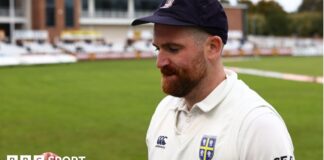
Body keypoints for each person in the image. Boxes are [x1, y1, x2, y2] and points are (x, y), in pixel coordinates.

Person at [131, 0, 295, 159]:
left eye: (173, 49)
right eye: (157, 48)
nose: (159, 62)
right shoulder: (164, 111)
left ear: (213, 47)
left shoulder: (258, 125)